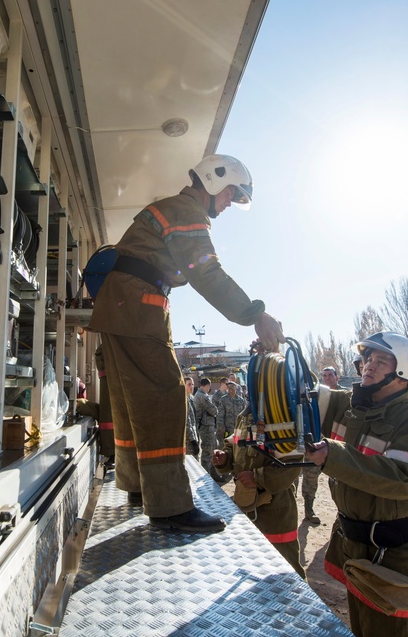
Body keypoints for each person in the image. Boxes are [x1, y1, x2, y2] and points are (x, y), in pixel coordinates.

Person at [87, 154, 285, 533]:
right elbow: (205, 272)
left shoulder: (171, 208)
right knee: (165, 396)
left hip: (123, 307)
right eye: (230, 194)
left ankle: (138, 486)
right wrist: (253, 313)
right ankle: (170, 506)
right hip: (137, 308)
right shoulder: (185, 210)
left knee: (134, 402)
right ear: (213, 181)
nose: (228, 204)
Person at [306, 332, 408, 637]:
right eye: (367, 359)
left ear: (403, 372)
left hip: (393, 554)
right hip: (357, 545)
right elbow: (306, 394)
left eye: (381, 360)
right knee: (363, 628)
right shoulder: (352, 406)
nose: (369, 365)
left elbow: (405, 479)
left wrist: (335, 456)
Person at [213, 411, 305, 578]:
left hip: (275, 513)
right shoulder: (244, 416)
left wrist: (257, 477)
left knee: (287, 573)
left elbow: (291, 465)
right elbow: (234, 445)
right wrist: (225, 457)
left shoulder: (282, 419)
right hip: (246, 507)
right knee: (252, 567)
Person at [299, 365, 344, 526]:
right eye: (324, 375)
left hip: (338, 447)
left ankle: (343, 511)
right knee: (310, 477)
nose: (327, 378)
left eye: (330, 375)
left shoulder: (344, 396)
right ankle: (309, 510)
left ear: (337, 377)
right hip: (317, 443)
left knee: (339, 481)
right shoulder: (315, 395)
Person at [194, 377, 221, 481]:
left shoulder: (199, 395)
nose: (209, 389)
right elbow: (214, 410)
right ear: (206, 386)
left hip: (207, 426)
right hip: (205, 427)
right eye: (209, 386)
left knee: (212, 449)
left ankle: (213, 474)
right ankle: (207, 477)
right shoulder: (202, 396)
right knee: (207, 452)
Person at [184, 377, 200, 458]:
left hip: (195, 435)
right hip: (188, 440)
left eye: (193, 384)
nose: (192, 386)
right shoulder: (183, 400)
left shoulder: (191, 399)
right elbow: (187, 422)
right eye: (189, 384)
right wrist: (193, 440)